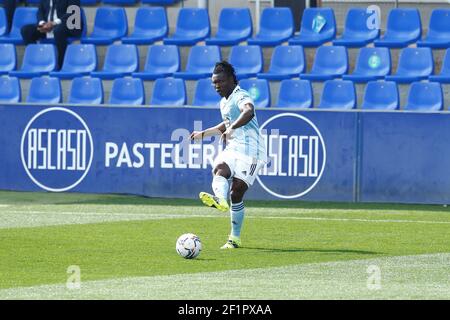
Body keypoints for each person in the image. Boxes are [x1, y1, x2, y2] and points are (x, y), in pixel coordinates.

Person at [190, 61, 267, 249]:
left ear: (231, 80)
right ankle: (221, 200)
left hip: (252, 152)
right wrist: (204, 134)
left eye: (221, 82)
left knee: (237, 191)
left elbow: (248, 112)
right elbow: (225, 123)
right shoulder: (223, 102)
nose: (217, 86)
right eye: (214, 83)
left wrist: (232, 128)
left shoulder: (241, 95)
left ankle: (234, 238)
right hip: (234, 148)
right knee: (220, 169)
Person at [21, 0, 83, 70]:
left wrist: (54, 23)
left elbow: (73, 13)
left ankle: (61, 65)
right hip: (48, 26)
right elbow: (40, 12)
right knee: (26, 30)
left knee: (58, 31)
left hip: (69, 25)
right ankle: (36, 61)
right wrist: (42, 23)